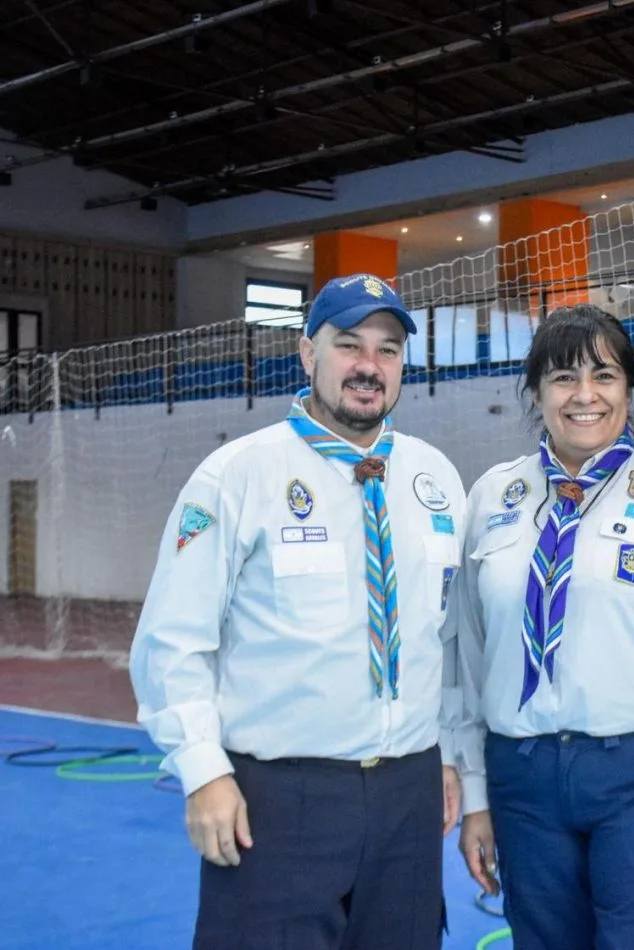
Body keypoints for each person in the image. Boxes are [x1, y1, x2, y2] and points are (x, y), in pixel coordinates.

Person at [130, 273, 467, 950]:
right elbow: (172, 640)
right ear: (307, 353)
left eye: (388, 350)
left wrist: (450, 754)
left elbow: (449, 638)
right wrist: (203, 771)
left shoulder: (436, 481)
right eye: (348, 345)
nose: (369, 366)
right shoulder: (237, 475)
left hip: (408, 793)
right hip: (279, 798)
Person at [452, 304, 634, 950]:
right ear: (534, 392)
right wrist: (475, 793)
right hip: (523, 780)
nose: (583, 395)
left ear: (629, 387)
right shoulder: (491, 498)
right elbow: (466, 662)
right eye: (561, 378)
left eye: (603, 375)